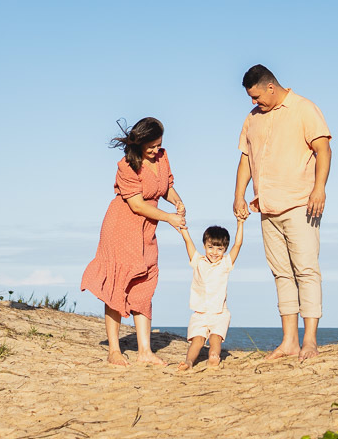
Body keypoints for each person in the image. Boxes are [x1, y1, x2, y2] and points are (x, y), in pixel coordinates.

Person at [233, 64, 331, 362]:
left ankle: (310, 341)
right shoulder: (252, 118)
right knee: (282, 273)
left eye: (257, 96)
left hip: (301, 203)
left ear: (271, 87)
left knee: (306, 270)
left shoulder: (304, 108)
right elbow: (246, 159)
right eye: (251, 98)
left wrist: (319, 188)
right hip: (267, 207)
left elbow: (324, 149)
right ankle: (289, 341)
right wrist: (238, 195)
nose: (254, 102)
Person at [81, 116, 186, 366]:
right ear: (139, 143)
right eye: (151, 146)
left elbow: (166, 187)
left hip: (147, 229)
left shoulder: (162, 157)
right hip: (122, 227)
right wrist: (169, 218)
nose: (155, 150)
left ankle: (145, 352)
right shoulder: (126, 166)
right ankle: (114, 351)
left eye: (158, 145)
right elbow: (137, 205)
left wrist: (178, 202)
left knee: (145, 284)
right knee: (118, 284)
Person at [176, 218, 244, 370]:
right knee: (197, 340)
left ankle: (213, 357)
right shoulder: (198, 261)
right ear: (204, 246)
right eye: (210, 247)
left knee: (215, 338)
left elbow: (238, 244)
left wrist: (240, 223)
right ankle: (189, 362)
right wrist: (183, 229)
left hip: (219, 313)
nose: (214, 252)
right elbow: (188, 242)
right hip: (200, 313)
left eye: (219, 249)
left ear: (225, 250)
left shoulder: (225, 264)